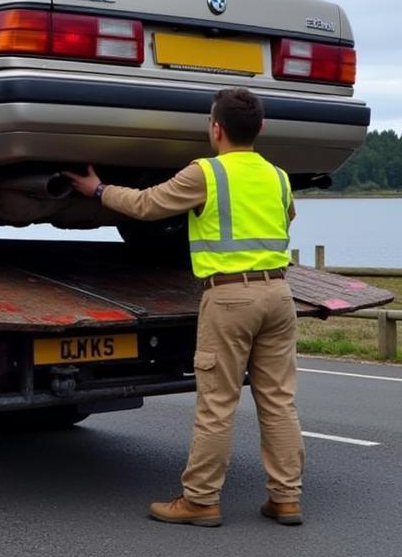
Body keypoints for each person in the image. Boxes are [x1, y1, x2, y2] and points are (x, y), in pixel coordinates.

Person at [63, 87, 305, 527]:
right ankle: (286, 498)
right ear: (261, 128)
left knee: (217, 403)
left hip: (230, 297)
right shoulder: (279, 176)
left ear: (215, 129)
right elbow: (285, 218)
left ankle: (201, 499)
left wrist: (97, 190)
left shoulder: (206, 174)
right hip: (279, 294)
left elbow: (145, 205)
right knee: (279, 402)